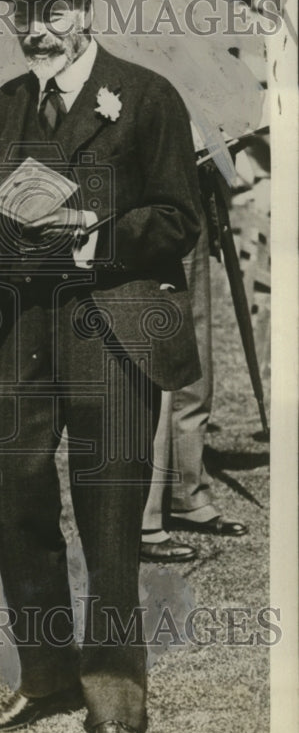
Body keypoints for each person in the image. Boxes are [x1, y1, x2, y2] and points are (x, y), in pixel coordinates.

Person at [0, 0, 201, 733]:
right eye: (24, 13)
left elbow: (178, 218)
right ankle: (46, 673)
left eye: (53, 10)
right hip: (19, 334)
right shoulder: (2, 108)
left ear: (87, 6)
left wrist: (94, 237)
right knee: (14, 500)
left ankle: (114, 700)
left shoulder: (146, 95)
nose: (38, 29)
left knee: (107, 517)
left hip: (112, 329)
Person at [140, 205, 247, 563]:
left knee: (195, 352)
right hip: (142, 199)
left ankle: (188, 492)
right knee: (157, 346)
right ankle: (145, 517)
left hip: (191, 192)